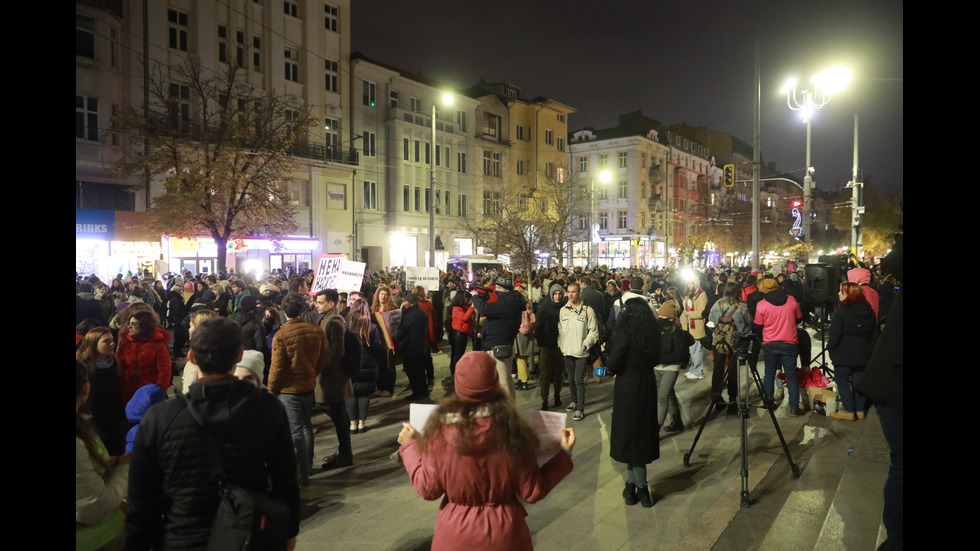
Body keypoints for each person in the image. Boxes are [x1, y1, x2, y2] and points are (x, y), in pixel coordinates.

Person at [125, 317, 300, 549]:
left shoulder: (160, 418)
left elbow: (142, 499)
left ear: (192, 358)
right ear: (238, 356)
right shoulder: (267, 408)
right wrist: (289, 532)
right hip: (249, 535)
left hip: (182, 537)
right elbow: (286, 477)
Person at [397, 351, 576, 551]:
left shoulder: (440, 431)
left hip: (454, 538)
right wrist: (563, 455)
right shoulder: (514, 431)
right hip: (506, 537)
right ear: (495, 383)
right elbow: (532, 490)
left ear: (457, 385)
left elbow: (428, 489)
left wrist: (410, 446)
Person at [269, 292, 330, 486]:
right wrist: (313, 372)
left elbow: (277, 367)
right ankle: (308, 466)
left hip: (289, 389)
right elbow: (323, 357)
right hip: (308, 385)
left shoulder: (281, 334)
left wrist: (272, 389)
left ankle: (302, 474)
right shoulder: (315, 329)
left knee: (296, 432)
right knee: (306, 427)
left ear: (284, 311)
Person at [608, 298, 662, 508]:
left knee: (631, 436)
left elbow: (614, 362)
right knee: (640, 435)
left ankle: (641, 487)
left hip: (627, 386)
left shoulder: (624, 332)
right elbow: (656, 358)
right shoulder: (652, 332)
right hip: (647, 384)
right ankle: (631, 487)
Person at [76, 361, 129, 551]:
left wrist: (113, 462)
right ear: (86, 388)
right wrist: (125, 468)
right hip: (95, 541)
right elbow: (93, 507)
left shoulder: (81, 423)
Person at [313, 288, 355, 470]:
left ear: (331, 304)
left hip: (333, 377)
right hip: (330, 376)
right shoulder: (327, 319)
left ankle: (345, 454)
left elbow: (338, 351)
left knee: (338, 414)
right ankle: (344, 450)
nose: (316, 305)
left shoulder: (334, 321)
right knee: (338, 414)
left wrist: (321, 368)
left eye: (320, 302)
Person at [753, 276, 806, 416]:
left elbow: (758, 325)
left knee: (769, 373)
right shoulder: (791, 300)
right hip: (790, 342)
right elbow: (799, 319)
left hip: (770, 343)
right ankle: (794, 407)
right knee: (791, 375)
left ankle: (769, 402)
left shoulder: (762, 304)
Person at [469, 273, 526, 399]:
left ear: (506, 290)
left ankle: (508, 411)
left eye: (499, 288)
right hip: (502, 344)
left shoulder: (508, 302)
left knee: (503, 381)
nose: (497, 291)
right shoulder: (510, 300)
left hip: (500, 345)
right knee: (506, 380)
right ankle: (510, 408)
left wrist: (475, 297)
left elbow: (486, 309)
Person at [828, 282, 877, 421]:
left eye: (841, 291)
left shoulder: (841, 311)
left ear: (849, 294)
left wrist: (830, 349)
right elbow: (874, 334)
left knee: (841, 381)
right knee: (860, 382)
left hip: (843, 355)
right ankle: (861, 410)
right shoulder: (869, 310)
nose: (838, 294)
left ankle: (849, 410)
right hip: (864, 354)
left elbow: (835, 336)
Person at [76, 327, 126, 456]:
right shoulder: (83, 367)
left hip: (113, 420)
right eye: (106, 341)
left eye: (112, 340)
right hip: (91, 421)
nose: (112, 343)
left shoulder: (113, 362)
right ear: (93, 343)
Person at [707, 282, 752, 413]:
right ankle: (733, 400)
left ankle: (717, 398)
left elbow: (710, 321)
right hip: (735, 342)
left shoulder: (717, 305)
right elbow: (749, 324)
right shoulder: (742, 307)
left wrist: (717, 333)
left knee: (718, 369)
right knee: (733, 371)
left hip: (719, 341)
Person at [558, 282, 600, 421]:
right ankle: (574, 401)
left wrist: (585, 345)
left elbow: (594, 332)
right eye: (568, 292)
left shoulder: (588, 311)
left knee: (578, 379)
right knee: (570, 378)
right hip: (567, 351)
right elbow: (560, 329)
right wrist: (561, 343)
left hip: (581, 351)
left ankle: (580, 408)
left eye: (573, 292)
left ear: (579, 293)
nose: (570, 294)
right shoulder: (563, 310)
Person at [344, 298, 384, 434]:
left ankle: (352, 423)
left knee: (350, 393)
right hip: (368, 364)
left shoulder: (346, 325)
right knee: (365, 393)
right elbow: (378, 346)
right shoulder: (371, 326)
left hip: (350, 363)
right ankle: (362, 423)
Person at [117, 309, 172, 403]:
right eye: (129, 323)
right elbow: (119, 367)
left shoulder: (157, 344)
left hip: (149, 394)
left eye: (134, 324)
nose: (129, 327)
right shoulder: (126, 343)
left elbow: (164, 371)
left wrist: (158, 392)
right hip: (128, 393)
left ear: (144, 325)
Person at [655, 302, 691, 433]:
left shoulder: (677, 333)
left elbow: (679, 355)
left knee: (662, 398)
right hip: (657, 367)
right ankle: (677, 421)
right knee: (669, 393)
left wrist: (658, 358)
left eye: (662, 316)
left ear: (670, 318)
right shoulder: (659, 330)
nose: (659, 318)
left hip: (670, 368)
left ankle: (655, 430)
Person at [535, 284, 567, 410]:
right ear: (551, 294)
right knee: (545, 374)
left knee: (559, 373)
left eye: (560, 294)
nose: (558, 296)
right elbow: (538, 328)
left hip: (561, 347)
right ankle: (544, 400)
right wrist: (542, 344)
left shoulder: (565, 308)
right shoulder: (544, 309)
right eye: (555, 294)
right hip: (547, 347)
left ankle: (557, 395)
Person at [396, 292, 431, 401]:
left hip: (410, 347)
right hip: (421, 346)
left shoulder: (408, 315)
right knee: (420, 370)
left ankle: (417, 393)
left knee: (412, 372)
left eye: (405, 301)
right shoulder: (422, 312)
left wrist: (396, 338)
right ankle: (424, 391)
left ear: (409, 303)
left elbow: (401, 332)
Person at [680, 276, 708, 381]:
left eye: (692, 283)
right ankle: (693, 369)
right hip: (688, 326)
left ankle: (698, 371)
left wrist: (688, 314)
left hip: (696, 326)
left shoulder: (702, 295)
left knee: (696, 350)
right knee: (692, 350)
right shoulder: (688, 294)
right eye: (688, 283)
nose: (690, 285)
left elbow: (702, 312)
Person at [448, 291, 475, 377]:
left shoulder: (464, 307)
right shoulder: (456, 308)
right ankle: (455, 371)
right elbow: (464, 317)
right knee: (457, 353)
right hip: (458, 334)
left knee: (459, 353)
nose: (468, 301)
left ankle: (457, 369)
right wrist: (472, 307)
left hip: (462, 333)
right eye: (467, 299)